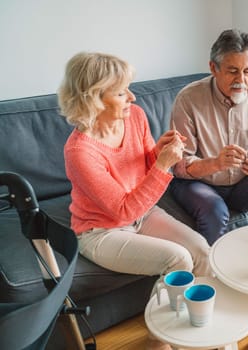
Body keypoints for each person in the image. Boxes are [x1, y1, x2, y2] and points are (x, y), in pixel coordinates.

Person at [58, 52, 212, 350]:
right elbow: (124, 208)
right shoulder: (79, 152)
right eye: (120, 92)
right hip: (102, 231)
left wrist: (158, 152)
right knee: (178, 259)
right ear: (93, 99)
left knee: (202, 251)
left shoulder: (135, 116)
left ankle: (193, 329)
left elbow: (142, 167)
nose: (132, 96)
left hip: (142, 215)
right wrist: (163, 165)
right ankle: (160, 340)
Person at [169, 29, 248, 245]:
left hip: (241, 183)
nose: (241, 80)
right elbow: (178, 165)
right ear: (213, 68)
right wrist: (215, 163)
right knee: (214, 210)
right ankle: (211, 273)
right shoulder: (188, 99)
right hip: (197, 182)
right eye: (233, 71)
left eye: (247, 71)